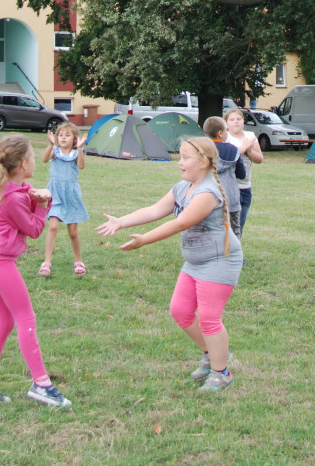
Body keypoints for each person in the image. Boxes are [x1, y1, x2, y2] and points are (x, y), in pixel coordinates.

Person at [96, 137, 242, 392]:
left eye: (186, 157)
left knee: (209, 319)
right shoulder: (182, 187)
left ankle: (222, 372)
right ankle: (212, 354)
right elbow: (154, 210)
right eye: (180, 156)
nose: (180, 163)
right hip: (195, 262)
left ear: (205, 162)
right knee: (180, 311)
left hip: (219, 261)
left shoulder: (208, 192)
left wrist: (144, 240)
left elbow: (180, 223)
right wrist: (121, 221)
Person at [0, 134, 72, 407]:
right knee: (27, 318)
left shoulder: (4, 185)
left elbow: (22, 190)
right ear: (24, 164)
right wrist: (42, 206)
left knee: (4, 323)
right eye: (34, 159)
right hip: (0, 264)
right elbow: (35, 230)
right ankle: (42, 384)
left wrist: (35, 194)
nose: (35, 163)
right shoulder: (11, 197)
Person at [38, 121, 90, 276]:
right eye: (60, 135)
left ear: (74, 139)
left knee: (73, 232)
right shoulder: (55, 151)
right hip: (55, 194)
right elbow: (44, 159)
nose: (63, 138)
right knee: (53, 226)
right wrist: (50, 144)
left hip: (71, 195)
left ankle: (78, 261)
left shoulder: (76, 153)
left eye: (67, 135)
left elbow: (81, 166)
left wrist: (80, 149)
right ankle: (46, 262)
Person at [224, 108, 262, 238]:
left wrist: (249, 151)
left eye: (239, 119)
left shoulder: (250, 136)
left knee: (240, 223)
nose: (236, 122)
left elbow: (259, 159)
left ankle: (235, 255)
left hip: (245, 187)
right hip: (229, 187)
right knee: (227, 223)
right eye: (232, 120)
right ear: (226, 123)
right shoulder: (225, 137)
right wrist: (245, 147)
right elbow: (229, 156)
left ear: (243, 121)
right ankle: (225, 254)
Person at [203, 115, 245, 232]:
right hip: (231, 200)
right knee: (234, 231)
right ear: (220, 133)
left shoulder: (201, 150)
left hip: (207, 199)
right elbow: (242, 174)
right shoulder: (234, 150)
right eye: (227, 130)